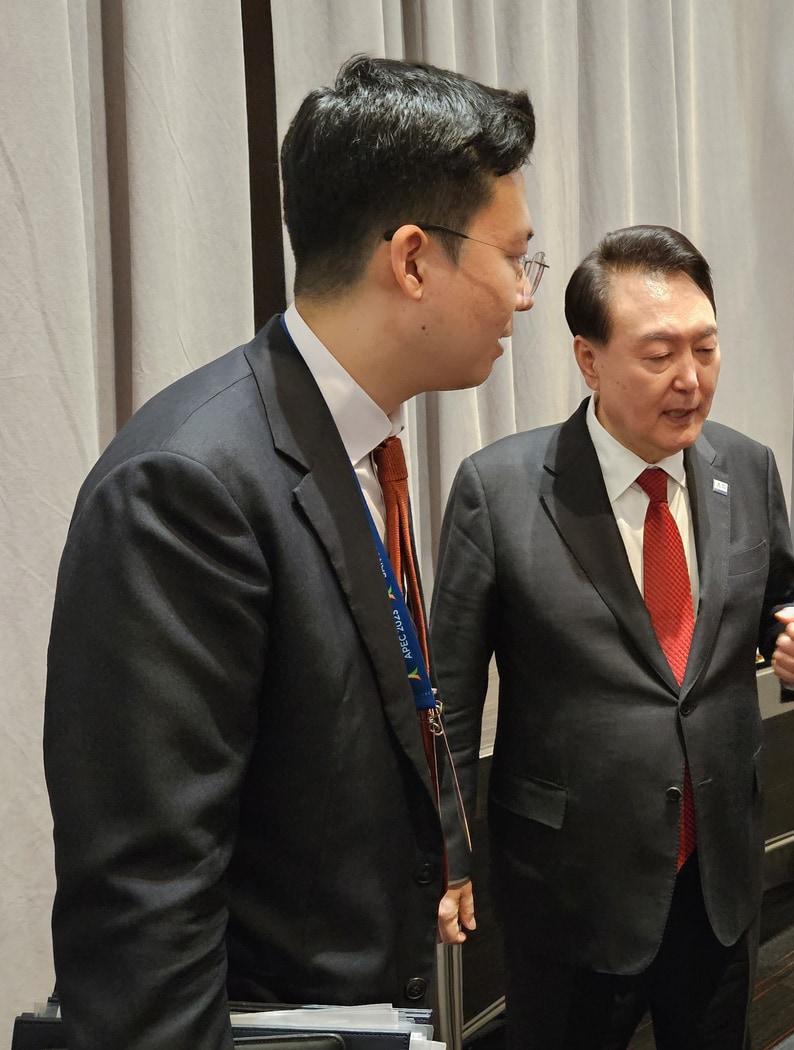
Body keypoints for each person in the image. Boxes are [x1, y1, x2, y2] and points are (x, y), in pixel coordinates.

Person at [43, 56, 539, 1049]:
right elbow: (147, 908)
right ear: (411, 261)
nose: (524, 296)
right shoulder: (188, 487)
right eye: (513, 256)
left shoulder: (354, 449)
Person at [430, 225, 794, 1049]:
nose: (691, 380)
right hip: (572, 890)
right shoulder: (500, 491)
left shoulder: (746, 467)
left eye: (706, 349)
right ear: (589, 359)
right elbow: (451, 695)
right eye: (658, 355)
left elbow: (784, 602)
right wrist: (448, 856)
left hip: (718, 878)